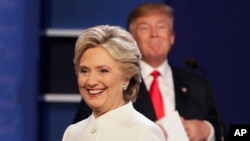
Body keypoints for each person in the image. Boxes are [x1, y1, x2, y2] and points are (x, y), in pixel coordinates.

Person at [73, 3, 227, 141]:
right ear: (131, 39)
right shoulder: (113, 80)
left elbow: (229, 132)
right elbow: (86, 130)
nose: (154, 34)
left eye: (161, 27)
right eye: (145, 28)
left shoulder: (197, 84)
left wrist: (208, 130)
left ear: (172, 36)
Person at [62, 25, 165, 141]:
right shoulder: (72, 133)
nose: (91, 81)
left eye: (103, 71)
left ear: (126, 77)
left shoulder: (144, 132)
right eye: (84, 71)